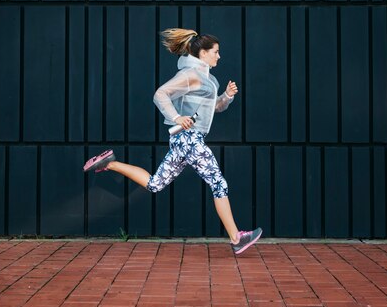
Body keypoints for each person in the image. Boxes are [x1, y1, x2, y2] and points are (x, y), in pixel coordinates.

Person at [84, 28, 262, 255]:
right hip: (188, 138)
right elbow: (160, 94)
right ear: (203, 54)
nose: (219, 56)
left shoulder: (210, 79)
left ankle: (109, 163)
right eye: (216, 52)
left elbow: (214, 108)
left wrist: (226, 96)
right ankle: (236, 238)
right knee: (218, 184)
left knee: (155, 184)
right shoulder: (190, 75)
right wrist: (177, 117)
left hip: (183, 141)